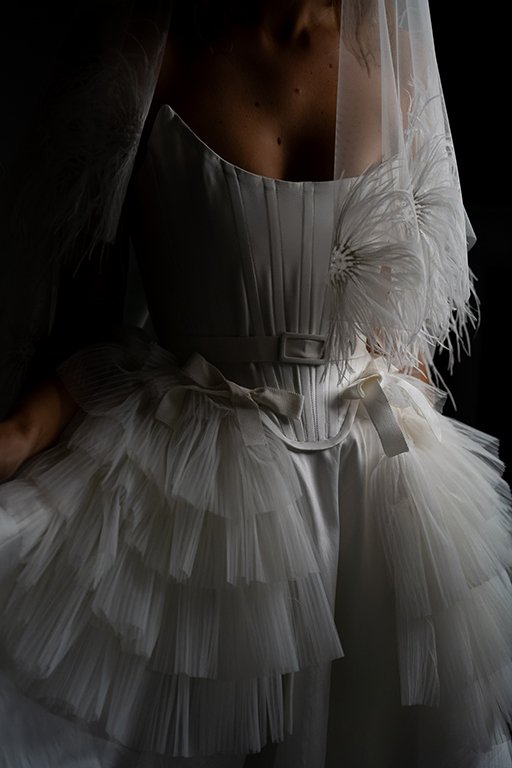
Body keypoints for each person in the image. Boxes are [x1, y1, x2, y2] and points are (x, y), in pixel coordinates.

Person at [0, 1, 511, 766]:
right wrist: (20, 434)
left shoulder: (393, 46)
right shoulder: (149, 49)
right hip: (201, 488)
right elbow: (85, 330)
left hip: (373, 480)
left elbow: (404, 328)